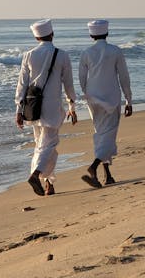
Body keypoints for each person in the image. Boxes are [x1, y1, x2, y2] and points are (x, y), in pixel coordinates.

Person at [15, 19, 77, 196]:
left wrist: (18, 111)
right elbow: (68, 85)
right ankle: (35, 174)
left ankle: (49, 183)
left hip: (32, 107)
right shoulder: (62, 55)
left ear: (36, 38)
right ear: (52, 34)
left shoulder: (29, 55)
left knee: (42, 146)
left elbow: (22, 85)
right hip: (51, 107)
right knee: (48, 145)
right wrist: (72, 105)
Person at [79, 19, 132, 188]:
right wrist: (128, 99)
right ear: (107, 33)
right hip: (111, 97)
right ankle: (94, 166)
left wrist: (87, 94)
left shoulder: (87, 53)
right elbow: (123, 77)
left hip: (93, 99)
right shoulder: (115, 51)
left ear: (91, 35)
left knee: (101, 134)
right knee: (108, 135)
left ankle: (107, 175)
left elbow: (81, 78)